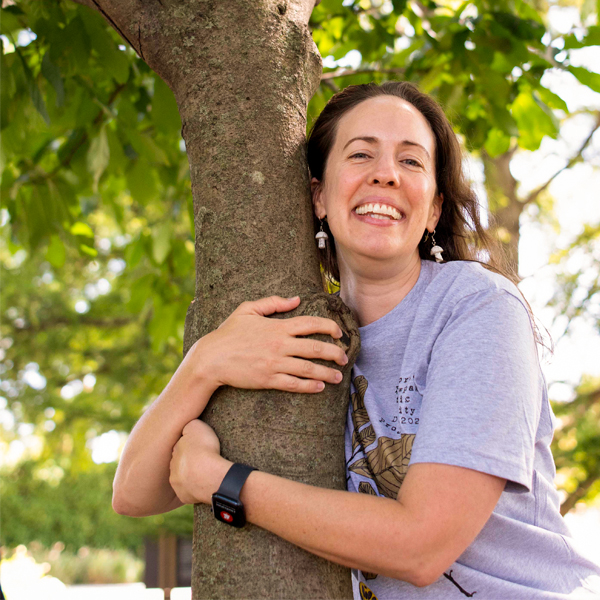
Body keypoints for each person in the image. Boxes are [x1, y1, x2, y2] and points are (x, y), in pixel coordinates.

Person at [112, 82, 600, 598]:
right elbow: (133, 493)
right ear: (319, 196)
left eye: (411, 162)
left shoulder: (477, 307)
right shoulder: (296, 333)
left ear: (433, 209)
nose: (386, 173)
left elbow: (422, 547)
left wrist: (223, 484)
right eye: (362, 153)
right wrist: (205, 362)